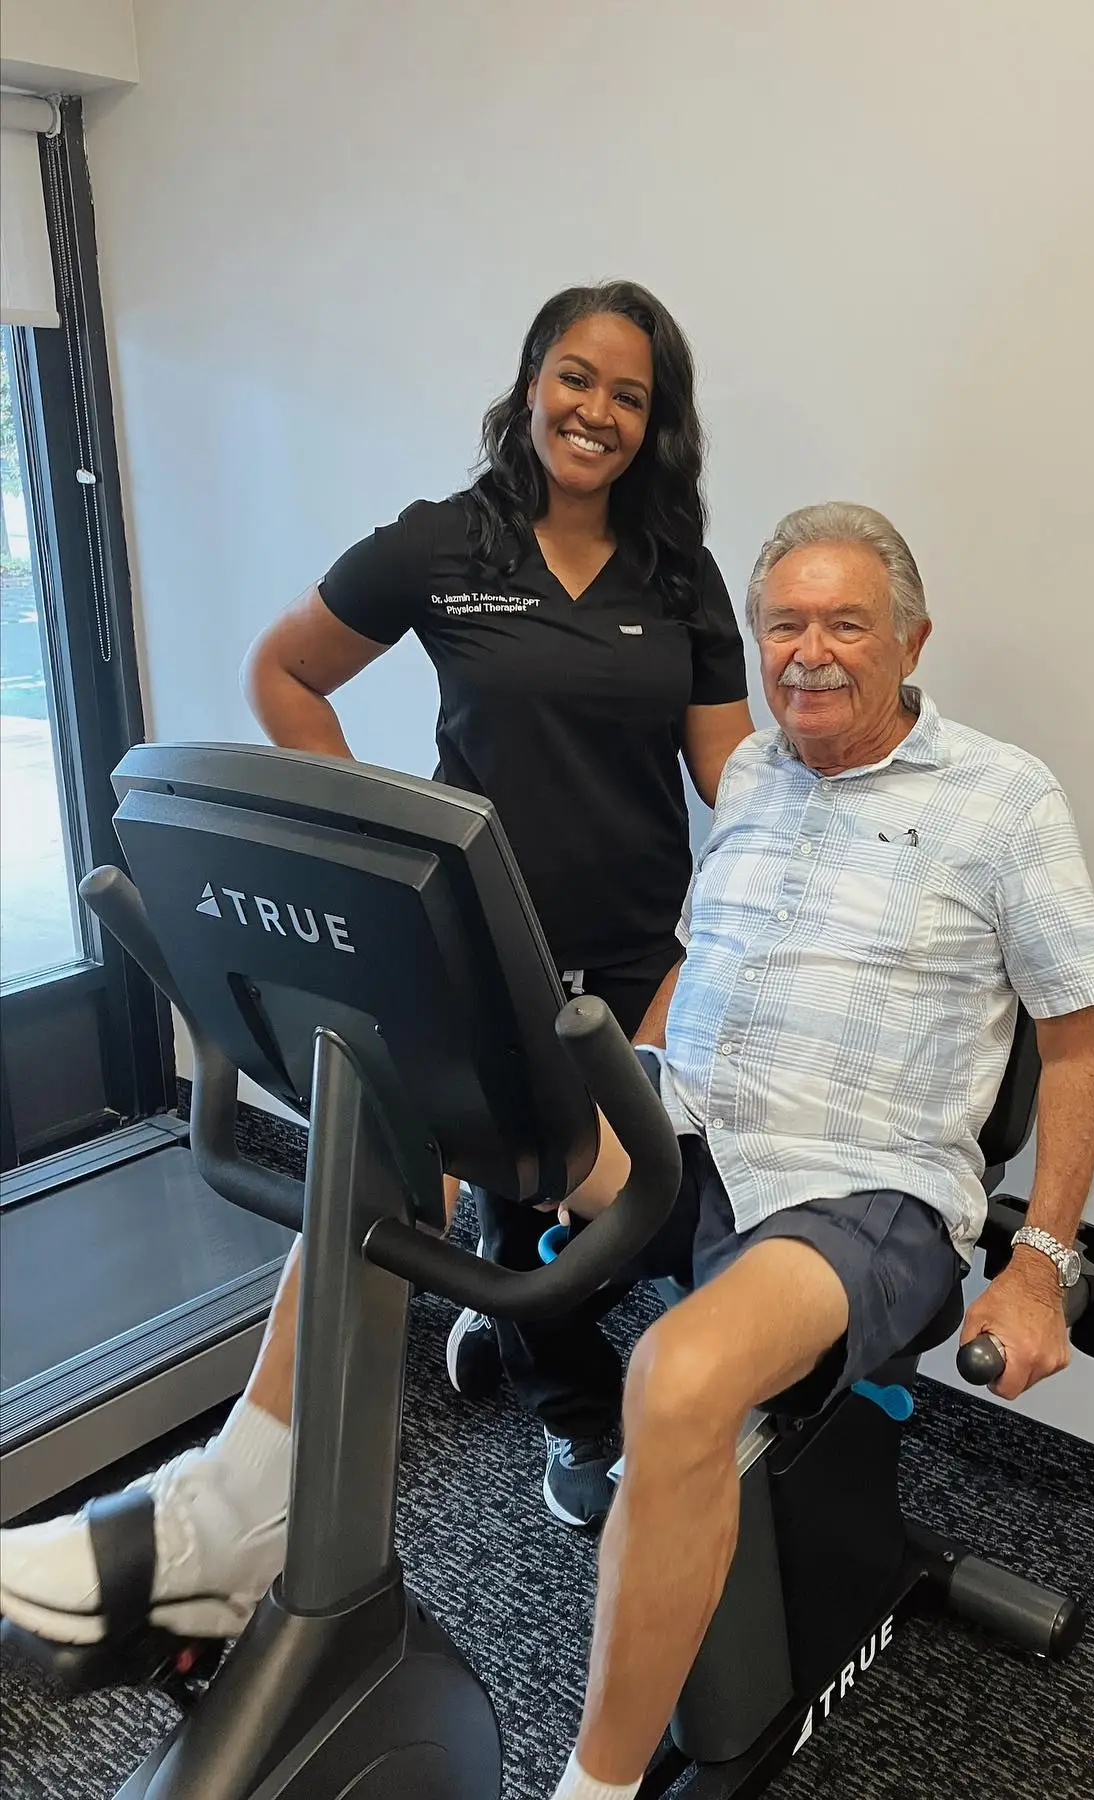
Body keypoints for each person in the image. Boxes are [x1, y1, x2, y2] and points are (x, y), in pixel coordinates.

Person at [0, 281, 753, 1648]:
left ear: (658, 426)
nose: (596, 413)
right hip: (482, 948)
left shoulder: (681, 575)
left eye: (630, 397)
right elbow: (287, 670)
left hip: (645, 960)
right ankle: (537, 1424)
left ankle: (242, 1500)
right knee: (402, 1164)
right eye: (576, 378)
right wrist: (371, 848)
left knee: (616, 1204)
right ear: (532, 379)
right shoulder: (440, 543)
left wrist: (765, 886)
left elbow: (730, 781)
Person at [542, 501, 1094, 1800]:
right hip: (696, 1134)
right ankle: (229, 1513)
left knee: (682, 1377)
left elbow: (1080, 1052)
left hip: (872, 1191)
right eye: (783, 623)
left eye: (844, 622)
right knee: (408, 1130)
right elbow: (699, 958)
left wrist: (1037, 1266)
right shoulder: (750, 773)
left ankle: (595, 1784)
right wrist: (619, 1091)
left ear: (911, 638)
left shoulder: (1002, 799)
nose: (807, 650)